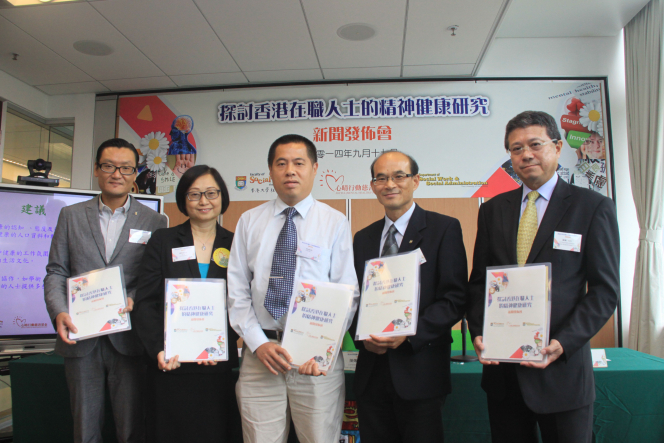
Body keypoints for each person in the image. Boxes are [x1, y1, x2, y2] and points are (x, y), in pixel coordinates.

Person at [467, 111, 620, 443]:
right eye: (515, 148)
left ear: (557, 146)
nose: (526, 155)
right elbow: (480, 281)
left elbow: (605, 292)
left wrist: (562, 343)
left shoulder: (592, 207)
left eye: (535, 144)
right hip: (503, 374)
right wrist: (479, 332)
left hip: (562, 373)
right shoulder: (493, 210)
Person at [227, 134, 359, 443]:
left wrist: (323, 349)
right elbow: (236, 291)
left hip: (315, 362)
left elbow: (347, 292)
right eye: (281, 163)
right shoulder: (248, 221)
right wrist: (258, 344)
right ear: (270, 171)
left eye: (299, 163)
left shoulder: (335, 222)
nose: (290, 171)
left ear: (314, 169)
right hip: (261, 358)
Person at [44, 138, 167, 443]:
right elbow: (56, 271)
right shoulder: (71, 216)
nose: (117, 174)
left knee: (131, 428)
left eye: (125, 168)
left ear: (134, 173)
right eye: (109, 166)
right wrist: (59, 310)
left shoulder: (154, 221)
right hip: (81, 338)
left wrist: (134, 298)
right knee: (85, 427)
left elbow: (154, 278)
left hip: (129, 339)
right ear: (96, 169)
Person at [351, 151, 468, 443]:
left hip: (421, 371)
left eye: (399, 176)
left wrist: (408, 333)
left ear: (415, 181)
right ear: (373, 185)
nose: (390, 184)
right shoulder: (363, 238)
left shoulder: (444, 228)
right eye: (381, 178)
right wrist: (362, 336)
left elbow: (454, 298)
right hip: (371, 371)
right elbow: (353, 299)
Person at [132, 165, 240, 443]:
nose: (204, 201)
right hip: (172, 364)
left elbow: (243, 300)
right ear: (183, 200)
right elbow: (145, 301)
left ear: (222, 197)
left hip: (216, 365)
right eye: (194, 194)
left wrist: (226, 341)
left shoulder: (236, 243)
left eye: (211, 193)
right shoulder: (163, 240)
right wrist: (158, 348)